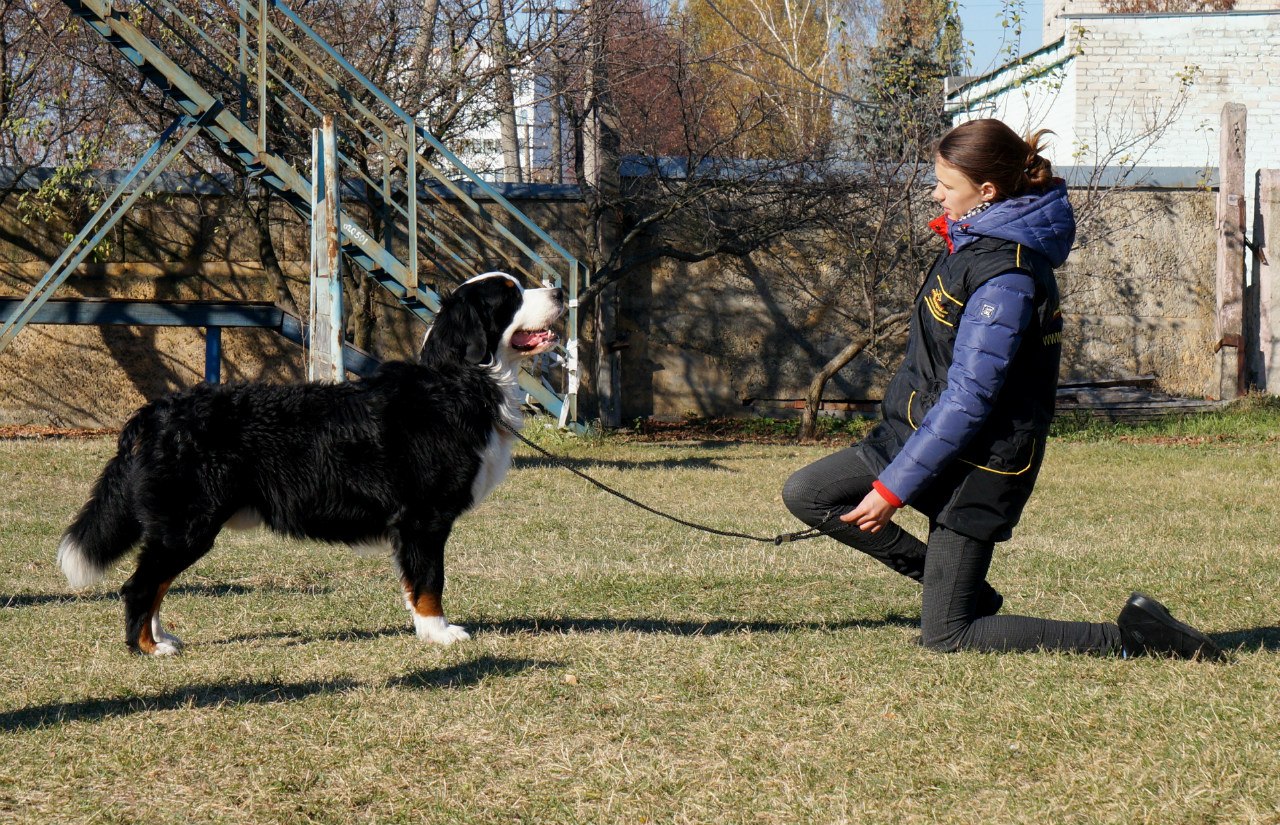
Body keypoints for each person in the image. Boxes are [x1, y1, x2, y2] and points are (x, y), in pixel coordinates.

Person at [782, 118, 1222, 660]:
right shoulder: (971, 243)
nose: (935, 192)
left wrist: (891, 491)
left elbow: (969, 400)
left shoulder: (1006, 276)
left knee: (948, 636)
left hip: (981, 465)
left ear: (986, 191)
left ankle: (1137, 640)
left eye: (945, 183)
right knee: (807, 493)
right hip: (913, 437)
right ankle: (965, 590)